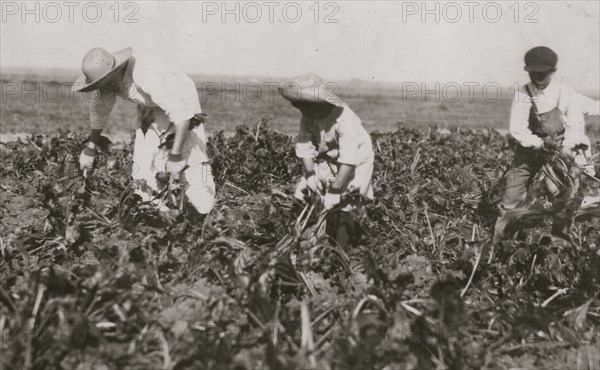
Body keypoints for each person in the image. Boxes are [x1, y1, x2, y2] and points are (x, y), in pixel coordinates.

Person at [73, 47, 215, 215]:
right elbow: (99, 112)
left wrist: (175, 156)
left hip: (181, 99)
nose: (103, 88)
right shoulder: (108, 83)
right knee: (143, 164)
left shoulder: (146, 73)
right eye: (98, 85)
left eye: (103, 83)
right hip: (150, 104)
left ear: (116, 71)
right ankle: (154, 208)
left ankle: (204, 209)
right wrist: (90, 149)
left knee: (190, 158)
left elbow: (182, 114)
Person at [494, 46, 600, 241]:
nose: (537, 77)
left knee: (565, 195)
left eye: (542, 73)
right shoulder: (524, 94)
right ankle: (503, 242)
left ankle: (561, 239)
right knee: (513, 192)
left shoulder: (566, 92)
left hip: (559, 152)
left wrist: (567, 148)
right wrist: (539, 143)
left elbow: (592, 108)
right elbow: (518, 129)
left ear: (552, 71)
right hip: (529, 150)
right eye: (533, 72)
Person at [278, 73, 375, 249]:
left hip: (356, 160)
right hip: (327, 157)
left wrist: (336, 188)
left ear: (319, 103)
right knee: (304, 193)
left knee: (347, 202)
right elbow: (305, 146)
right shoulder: (308, 115)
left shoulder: (346, 121)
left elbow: (348, 161)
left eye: (305, 107)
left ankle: (340, 250)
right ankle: (310, 236)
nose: (303, 112)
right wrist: (310, 175)